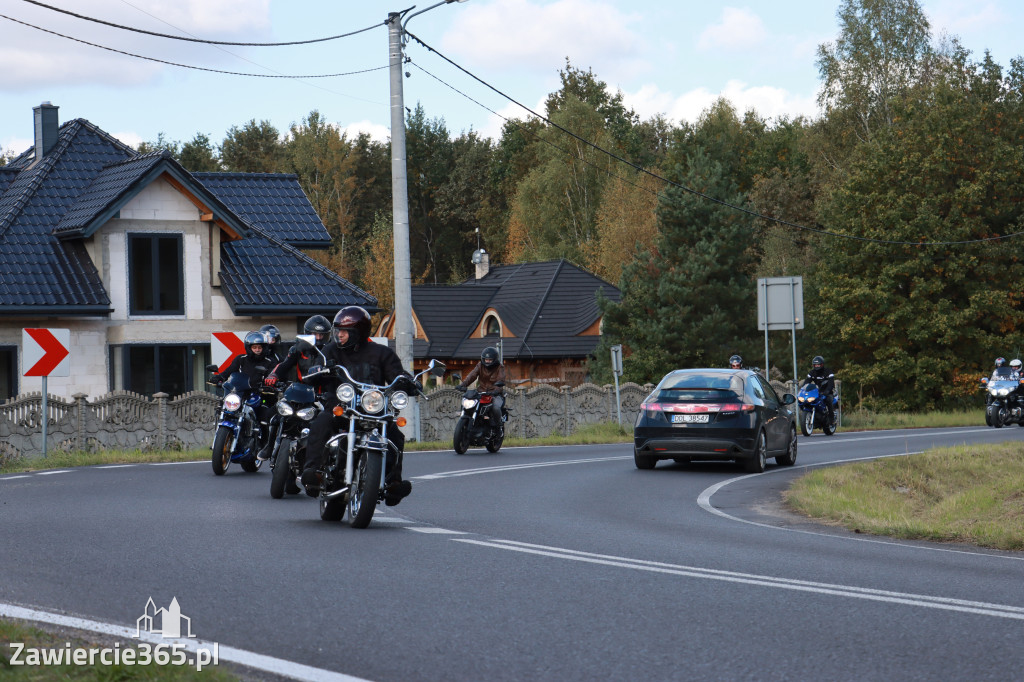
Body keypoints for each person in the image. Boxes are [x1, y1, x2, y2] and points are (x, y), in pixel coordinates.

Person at [298, 306, 413, 505]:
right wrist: (318, 370)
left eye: (344, 331)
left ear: (358, 333)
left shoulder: (381, 353)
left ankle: (393, 482)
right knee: (321, 424)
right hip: (340, 406)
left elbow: (397, 374)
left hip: (373, 409)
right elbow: (316, 369)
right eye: (337, 330)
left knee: (395, 435)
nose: (339, 335)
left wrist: (408, 381)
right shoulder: (330, 350)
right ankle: (314, 473)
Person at [210, 331, 275, 447]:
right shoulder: (241, 359)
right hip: (240, 392)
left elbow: (272, 376)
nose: (257, 350)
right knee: (223, 408)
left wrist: (270, 383)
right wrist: (219, 377)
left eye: (260, 347)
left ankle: (265, 444)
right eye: (254, 347)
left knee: (263, 415)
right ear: (249, 348)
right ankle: (221, 439)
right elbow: (229, 370)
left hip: (259, 393)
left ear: (264, 348)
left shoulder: (269, 362)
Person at [456, 346, 506, 431]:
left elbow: (500, 379)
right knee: (468, 403)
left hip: (495, 394)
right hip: (481, 392)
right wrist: (463, 385)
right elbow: (472, 375)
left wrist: (496, 390)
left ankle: (498, 426)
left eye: (490, 360)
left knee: (495, 407)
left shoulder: (499, 367)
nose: (487, 361)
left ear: (494, 359)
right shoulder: (480, 365)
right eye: (486, 359)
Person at [805, 355, 836, 421]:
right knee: (808, 401)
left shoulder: (828, 371)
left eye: (818, 365)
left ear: (822, 364)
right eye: (815, 365)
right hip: (817, 392)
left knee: (828, 400)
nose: (817, 366)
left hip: (827, 392)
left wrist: (827, 390)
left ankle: (831, 419)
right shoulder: (812, 372)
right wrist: (804, 389)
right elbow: (807, 382)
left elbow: (831, 383)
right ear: (813, 365)